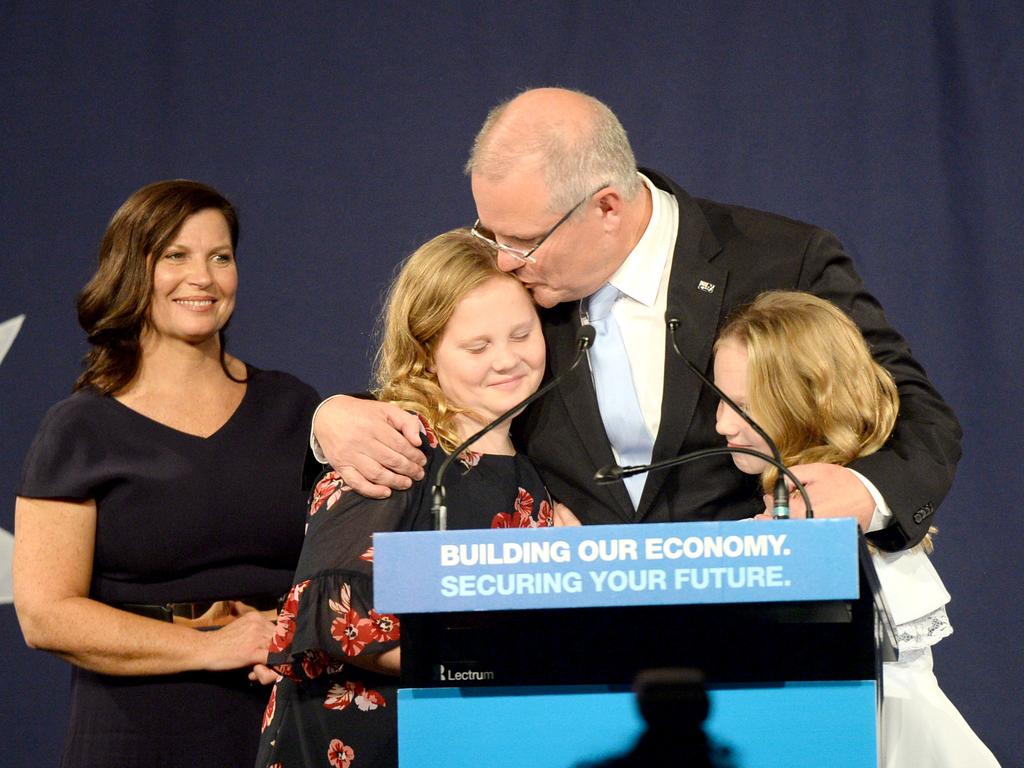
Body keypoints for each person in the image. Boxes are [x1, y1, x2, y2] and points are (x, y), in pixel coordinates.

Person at [310, 87, 961, 553]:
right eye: (491, 233)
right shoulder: (517, 291)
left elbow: (921, 419)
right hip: (577, 654)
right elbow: (440, 390)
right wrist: (328, 422)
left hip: (762, 630)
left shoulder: (783, 259)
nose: (504, 262)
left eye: (525, 241)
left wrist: (864, 493)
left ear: (609, 208)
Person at [12, 180, 320, 768]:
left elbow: (346, 560)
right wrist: (208, 646)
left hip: (287, 718)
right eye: (175, 256)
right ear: (133, 271)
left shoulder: (295, 407)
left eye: (220, 257)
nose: (201, 277)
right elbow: (45, 614)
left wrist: (293, 629)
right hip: (134, 732)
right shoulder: (79, 429)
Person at [255, 229, 570, 768]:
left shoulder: (529, 460)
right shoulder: (394, 445)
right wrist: (506, 657)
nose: (507, 360)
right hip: (368, 746)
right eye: (477, 346)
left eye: (522, 334)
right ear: (425, 353)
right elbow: (334, 618)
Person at [712, 290, 998, 768]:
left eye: (742, 406)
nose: (721, 424)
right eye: (719, 400)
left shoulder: (862, 539)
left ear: (804, 400)